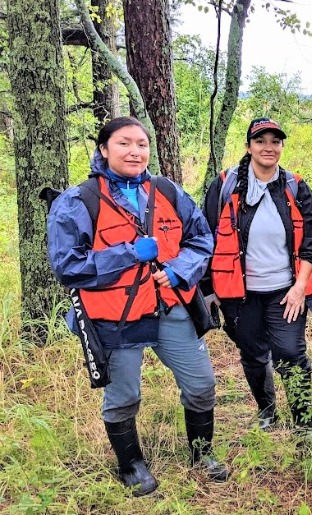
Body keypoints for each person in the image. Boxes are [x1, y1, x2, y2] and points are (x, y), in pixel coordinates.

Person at [46, 117, 228, 496]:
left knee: (202, 384)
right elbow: (67, 267)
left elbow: (201, 239)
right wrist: (128, 253)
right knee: (124, 395)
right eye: (124, 143)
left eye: (142, 144)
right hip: (117, 317)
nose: (135, 151)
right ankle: (131, 465)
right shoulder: (78, 201)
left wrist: (180, 271)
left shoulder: (167, 191)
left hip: (170, 308)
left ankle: (201, 452)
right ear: (103, 149)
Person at [201, 117, 312, 435]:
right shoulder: (225, 185)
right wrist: (208, 290)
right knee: (253, 353)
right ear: (248, 147)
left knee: (290, 353)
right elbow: (205, 239)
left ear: (282, 146)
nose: (269, 147)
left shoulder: (295, 187)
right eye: (261, 141)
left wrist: (300, 289)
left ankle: (303, 422)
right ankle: (267, 410)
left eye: (275, 141)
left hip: (285, 290)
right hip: (238, 294)